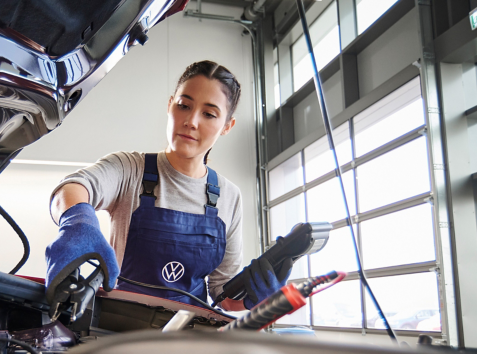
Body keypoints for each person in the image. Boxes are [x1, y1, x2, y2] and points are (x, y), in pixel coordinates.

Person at [44, 61, 292, 312]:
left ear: (227, 126)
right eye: (184, 106)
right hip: (118, 330)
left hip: (187, 338)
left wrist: (254, 297)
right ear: (170, 104)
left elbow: (223, 294)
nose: (191, 121)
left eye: (209, 114)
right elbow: (72, 188)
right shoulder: (130, 169)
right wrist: (77, 221)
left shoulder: (229, 196)